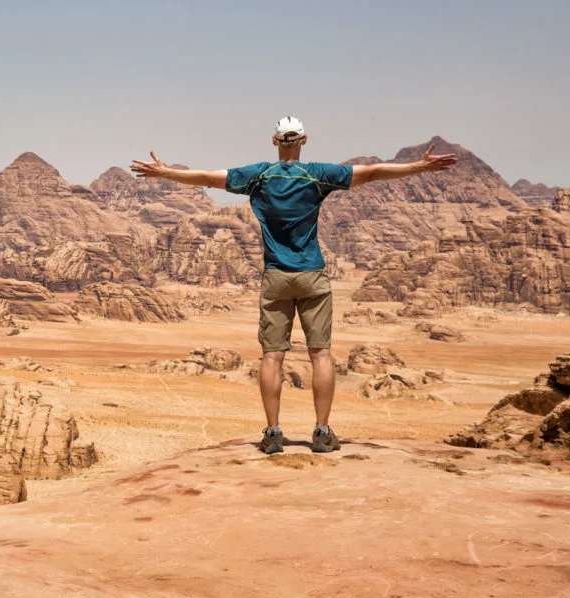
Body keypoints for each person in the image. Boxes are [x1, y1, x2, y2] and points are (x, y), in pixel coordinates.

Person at [130, 116, 458, 454]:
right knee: (321, 354)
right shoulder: (317, 174)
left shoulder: (258, 176)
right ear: (303, 141)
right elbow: (372, 172)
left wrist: (165, 172)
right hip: (312, 275)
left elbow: (208, 179)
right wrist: (420, 167)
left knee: (272, 357)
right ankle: (322, 432)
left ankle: (273, 434)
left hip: (276, 277)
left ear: (274, 142)